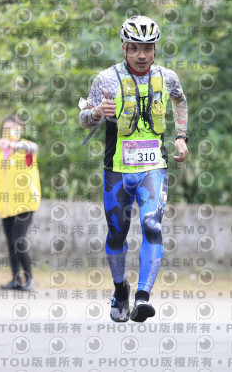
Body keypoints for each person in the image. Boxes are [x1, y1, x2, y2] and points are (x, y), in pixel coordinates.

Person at [79, 16, 189, 322]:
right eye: (135, 48)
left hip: (154, 168)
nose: (142, 55)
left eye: (148, 48)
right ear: (124, 48)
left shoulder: (167, 77)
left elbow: (180, 102)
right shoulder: (105, 79)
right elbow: (84, 120)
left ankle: (142, 297)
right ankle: (120, 289)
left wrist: (181, 136)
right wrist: (97, 112)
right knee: (117, 234)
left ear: (155, 49)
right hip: (117, 170)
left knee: (152, 225)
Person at [0, 114, 40, 291]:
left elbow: (34, 147)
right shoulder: (0, 152)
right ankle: (16, 280)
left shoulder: (25, 148)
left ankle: (29, 280)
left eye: (11, 128)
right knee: (10, 242)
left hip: (25, 202)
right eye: (5, 129)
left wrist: (12, 145)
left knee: (18, 240)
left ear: (20, 129)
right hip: (5, 204)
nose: (7, 132)